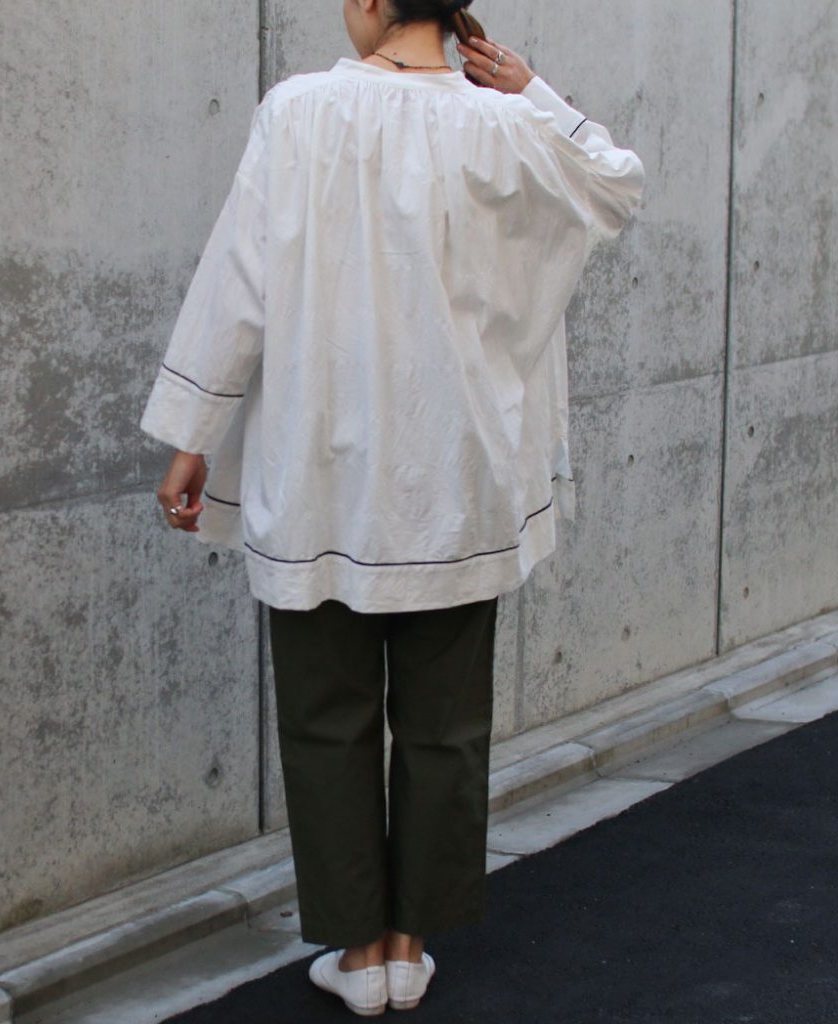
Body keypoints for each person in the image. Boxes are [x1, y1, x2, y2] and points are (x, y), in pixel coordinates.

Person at [140, 0, 644, 1015]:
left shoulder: (299, 112)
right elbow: (615, 184)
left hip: (322, 478)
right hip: (459, 480)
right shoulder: (509, 126)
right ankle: (411, 946)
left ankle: (360, 952)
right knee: (444, 724)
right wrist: (534, 90)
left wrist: (194, 433)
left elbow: (241, 278)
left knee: (325, 720)